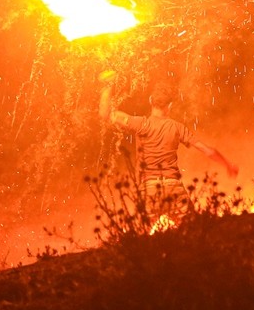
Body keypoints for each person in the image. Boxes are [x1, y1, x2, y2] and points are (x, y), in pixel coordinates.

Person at [99, 71, 238, 225]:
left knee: (145, 242)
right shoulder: (177, 128)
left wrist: (108, 86)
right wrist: (228, 164)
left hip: (149, 190)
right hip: (174, 189)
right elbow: (208, 150)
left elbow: (105, 114)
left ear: (150, 101)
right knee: (193, 232)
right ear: (170, 105)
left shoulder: (140, 124)